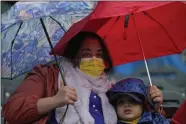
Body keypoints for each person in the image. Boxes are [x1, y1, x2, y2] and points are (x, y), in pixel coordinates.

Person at [2, 31, 163, 124]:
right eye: (86, 54)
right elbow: (12, 110)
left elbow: (131, 116)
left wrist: (153, 104)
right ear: (74, 57)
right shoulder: (48, 75)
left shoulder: (109, 86)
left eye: (99, 55)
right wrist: (55, 100)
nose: (94, 59)